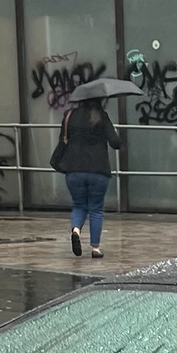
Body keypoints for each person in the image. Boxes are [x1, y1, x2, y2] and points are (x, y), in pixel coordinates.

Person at [51, 99, 124, 257]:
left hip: (74, 170)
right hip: (98, 170)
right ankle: (95, 248)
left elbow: (62, 140)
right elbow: (115, 142)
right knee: (96, 209)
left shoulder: (69, 116)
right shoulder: (101, 117)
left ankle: (76, 230)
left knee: (79, 205)